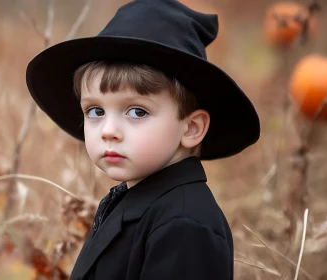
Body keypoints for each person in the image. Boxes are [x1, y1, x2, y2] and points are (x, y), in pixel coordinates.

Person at [25, 0, 260, 279]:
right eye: (95, 111)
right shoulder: (133, 203)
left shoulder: (184, 225)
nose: (108, 130)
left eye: (137, 111)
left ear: (191, 128)